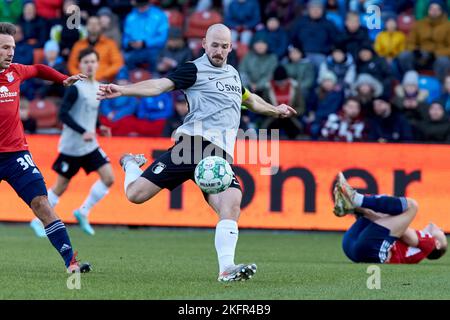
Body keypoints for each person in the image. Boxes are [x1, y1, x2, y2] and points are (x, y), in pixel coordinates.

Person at [97, 23, 297, 282]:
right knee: (135, 195)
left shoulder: (234, 75)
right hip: (191, 146)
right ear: (204, 43)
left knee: (230, 203)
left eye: (224, 46)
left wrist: (275, 109)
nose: (219, 51)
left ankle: (226, 269)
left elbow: (250, 100)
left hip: (220, 156)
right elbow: (159, 85)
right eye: (214, 45)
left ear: (231, 47)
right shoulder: (193, 69)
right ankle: (130, 163)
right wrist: (124, 89)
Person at [0, 22, 90, 272]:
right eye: (5, 47)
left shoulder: (15, 72)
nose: (11, 52)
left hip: (16, 155)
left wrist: (62, 79)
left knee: (42, 203)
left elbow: (38, 68)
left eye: (13, 47)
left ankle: (71, 262)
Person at [30, 48, 114, 238]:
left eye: (93, 61)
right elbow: (63, 115)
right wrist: (83, 131)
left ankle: (83, 212)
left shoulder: (99, 87)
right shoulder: (76, 87)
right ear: (80, 65)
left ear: (98, 64)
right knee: (61, 186)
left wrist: (100, 126)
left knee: (109, 177)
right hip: (72, 147)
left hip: (90, 145)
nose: (90, 65)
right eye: (86, 62)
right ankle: (37, 220)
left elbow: (91, 113)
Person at [333, 172, 447, 264]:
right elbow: (388, 225)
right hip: (356, 247)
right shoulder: (416, 248)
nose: (441, 229)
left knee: (412, 206)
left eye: (443, 234)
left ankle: (355, 200)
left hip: (368, 249)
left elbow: (406, 234)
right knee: (386, 206)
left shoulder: (430, 243)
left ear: (437, 244)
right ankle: (353, 204)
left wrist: (364, 211)